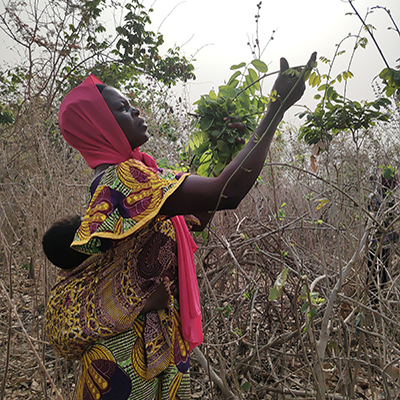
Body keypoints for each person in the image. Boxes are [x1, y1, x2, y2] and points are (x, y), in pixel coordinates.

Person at [45, 52, 316, 400]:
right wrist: (276, 108)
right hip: (127, 353)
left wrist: (223, 147)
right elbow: (226, 192)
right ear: (101, 126)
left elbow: (201, 214)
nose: (136, 111)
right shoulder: (125, 178)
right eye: (123, 108)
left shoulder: (132, 176)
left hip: (145, 342)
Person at [367, 169, 398, 302]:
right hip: (375, 243)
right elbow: (376, 217)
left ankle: (377, 303)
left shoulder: (390, 198)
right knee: (373, 275)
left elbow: (393, 218)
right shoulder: (375, 197)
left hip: (385, 244)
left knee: (383, 276)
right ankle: (372, 304)